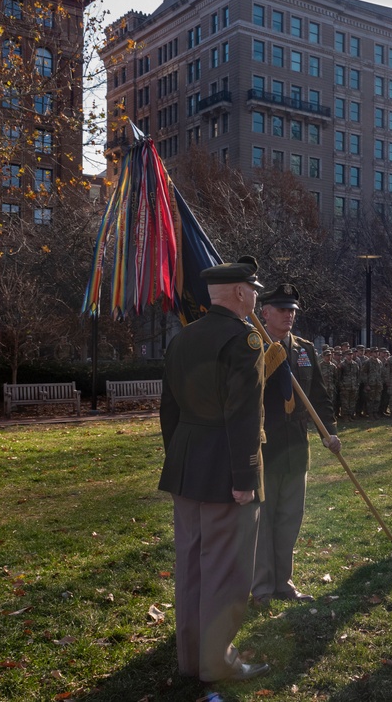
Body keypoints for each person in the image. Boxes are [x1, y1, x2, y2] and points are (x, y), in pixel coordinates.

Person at [158, 256, 270, 682]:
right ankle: (216, 663)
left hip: (187, 464)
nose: (256, 296)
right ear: (240, 293)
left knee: (190, 566)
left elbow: (168, 407)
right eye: (254, 289)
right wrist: (245, 478)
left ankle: (191, 658)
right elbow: (243, 415)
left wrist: (180, 457)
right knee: (226, 570)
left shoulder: (183, 338)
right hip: (226, 468)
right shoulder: (243, 341)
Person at [252, 283, 342, 607]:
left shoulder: (303, 349)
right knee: (263, 520)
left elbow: (318, 395)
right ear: (264, 313)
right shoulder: (253, 347)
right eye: (281, 310)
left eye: (292, 310)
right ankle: (261, 588)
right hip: (265, 447)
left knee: (290, 518)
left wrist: (328, 432)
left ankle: (283, 582)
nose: (289, 315)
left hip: (296, 449)